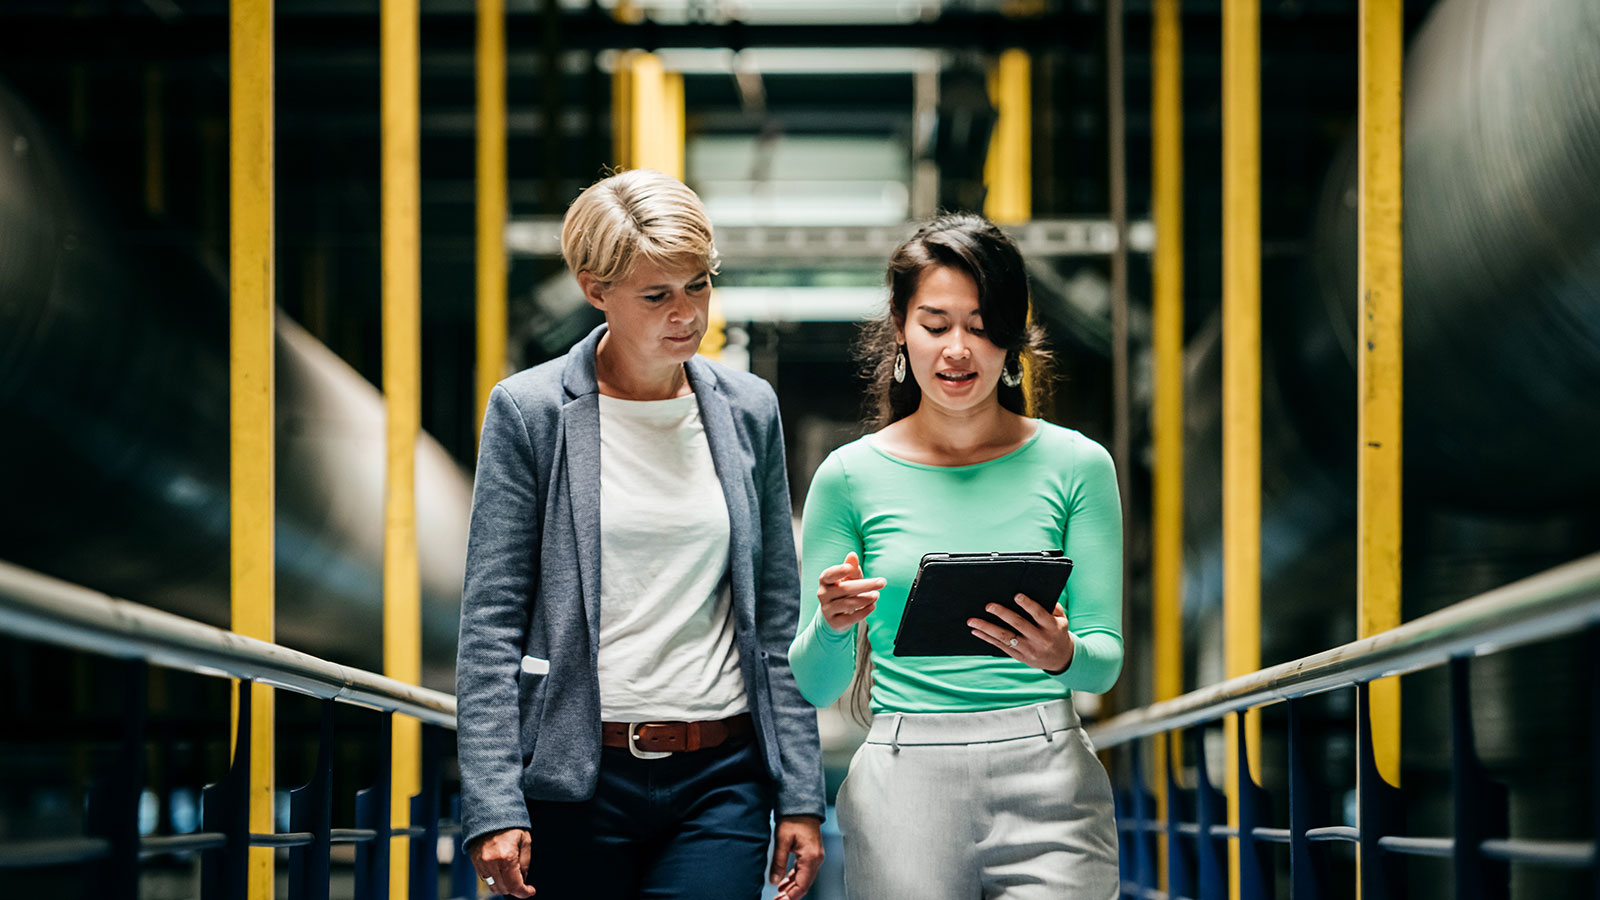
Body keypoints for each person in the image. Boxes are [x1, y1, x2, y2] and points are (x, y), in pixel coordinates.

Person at [456, 169, 825, 900]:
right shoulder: (530, 413)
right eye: (658, 295)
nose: (687, 313)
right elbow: (490, 625)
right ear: (596, 290)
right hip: (576, 779)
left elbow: (777, 618)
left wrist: (803, 793)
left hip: (721, 775)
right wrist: (493, 803)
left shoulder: (749, 410)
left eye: (699, 284)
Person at [789, 213, 1122, 899]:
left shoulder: (1078, 465)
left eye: (980, 325)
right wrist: (833, 624)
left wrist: (1062, 653)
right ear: (901, 330)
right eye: (936, 324)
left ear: (1013, 335)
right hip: (905, 778)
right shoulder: (849, 477)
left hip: (1049, 767)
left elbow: (1105, 657)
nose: (958, 350)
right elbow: (816, 686)